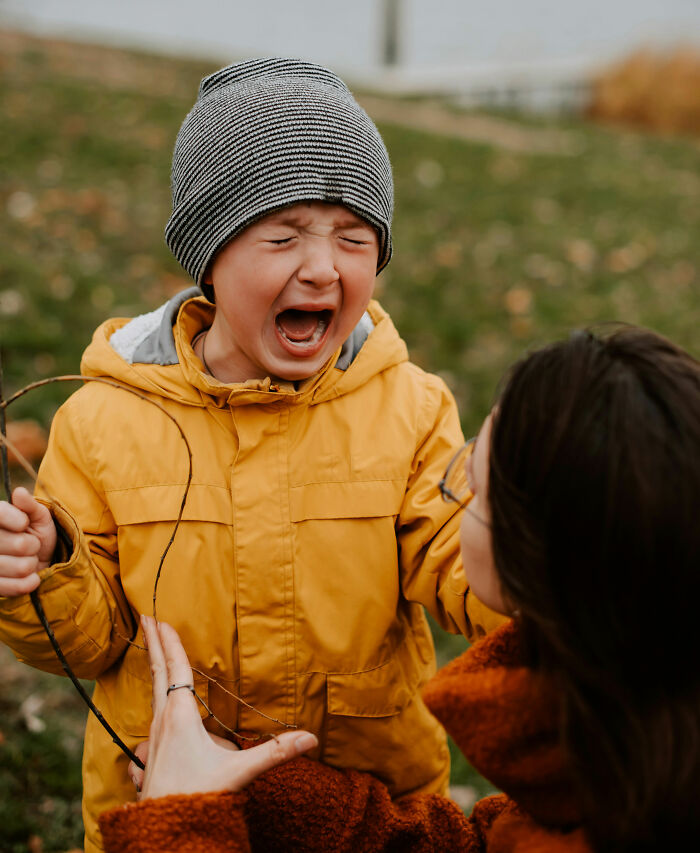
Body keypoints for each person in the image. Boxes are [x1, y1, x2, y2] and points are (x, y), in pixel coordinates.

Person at [0, 58, 503, 851]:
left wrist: (526, 549)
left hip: (368, 816)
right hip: (169, 804)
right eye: (282, 236)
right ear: (209, 255)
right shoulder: (104, 421)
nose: (322, 266)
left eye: (354, 238)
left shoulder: (409, 409)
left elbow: (458, 564)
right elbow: (89, 640)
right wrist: (48, 568)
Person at [99, 326, 700, 851]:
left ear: (542, 555)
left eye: (477, 487)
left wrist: (177, 818)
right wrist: (271, 793)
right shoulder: (630, 750)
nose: (459, 487)